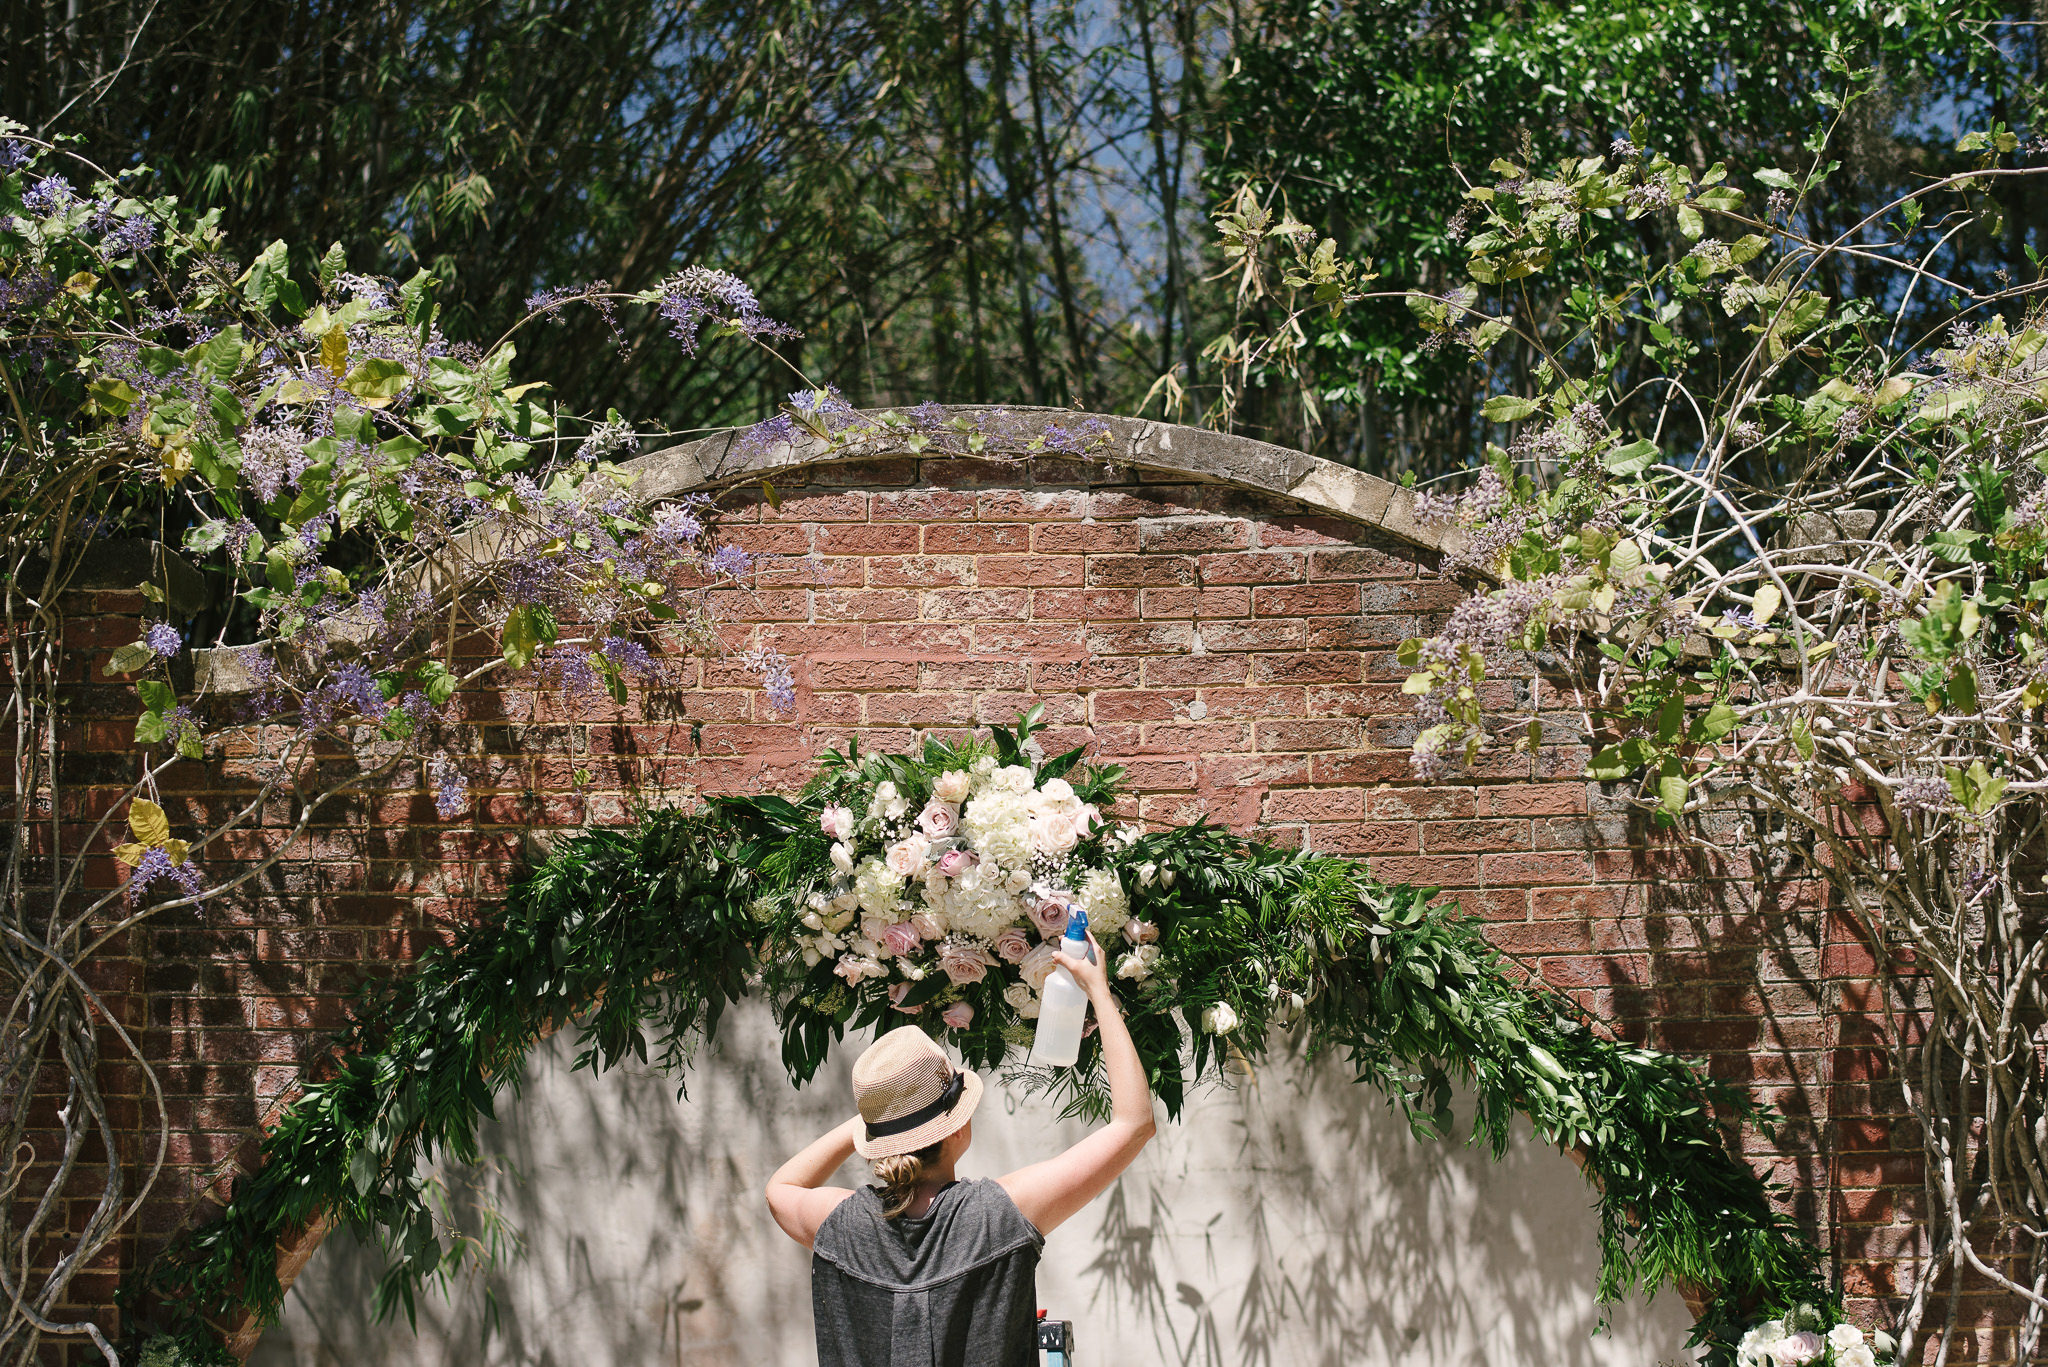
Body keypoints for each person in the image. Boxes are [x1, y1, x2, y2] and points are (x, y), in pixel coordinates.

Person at [765, 931, 1156, 1367]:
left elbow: (781, 1186)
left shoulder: (841, 1225)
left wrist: (880, 1116)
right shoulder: (1000, 1214)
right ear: (955, 1130)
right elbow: (1134, 1124)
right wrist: (1098, 992)